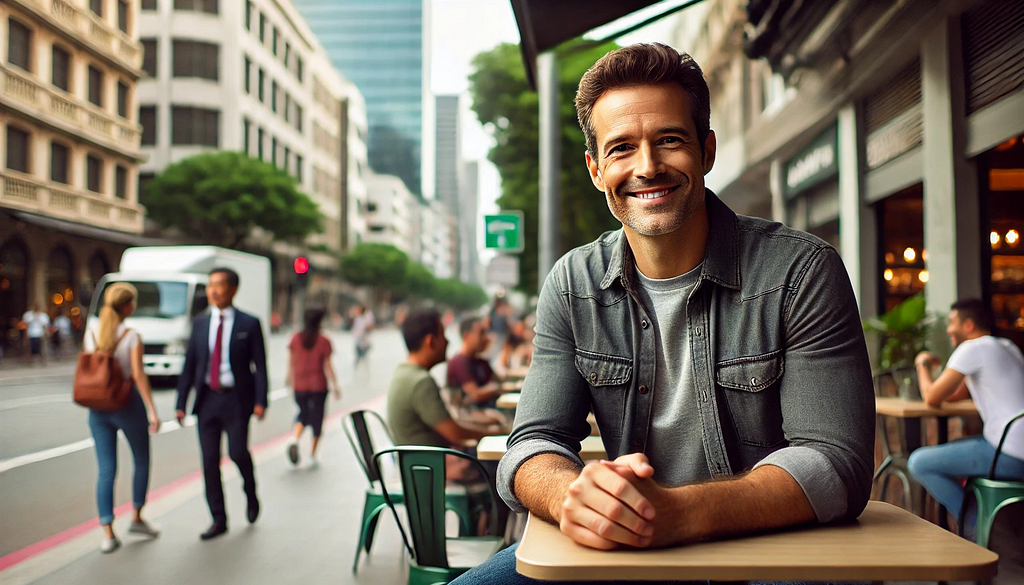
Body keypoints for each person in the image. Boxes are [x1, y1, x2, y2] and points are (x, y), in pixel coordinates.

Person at [452, 43, 873, 584]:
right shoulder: (572, 284)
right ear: (596, 168)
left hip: (771, 551)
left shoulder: (800, 271)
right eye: (621, 148)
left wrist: (678, 514)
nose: (647, 167)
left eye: (669, 140)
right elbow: (532, 445)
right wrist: (573, 497)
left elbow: (837, 464)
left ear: (707, 150)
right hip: (627, 551)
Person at [908, 299, 1024, 533]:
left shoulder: (972, 348)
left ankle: (975, 528)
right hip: (1015, 447)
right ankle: (987, 523)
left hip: (1009, 453)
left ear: (968, 325)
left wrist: (921, 363)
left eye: (952, 323)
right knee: (958, 446)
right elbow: (953, 395)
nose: (949, 329)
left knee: (920, 462)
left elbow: (931, 397)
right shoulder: (1007, 346)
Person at [175, 267, 268, 541]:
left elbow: (260, 366)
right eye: (210, 285)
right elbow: (190, 365)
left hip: (237, 400)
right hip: (207, 400)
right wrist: (181, 402)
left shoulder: (249, 323)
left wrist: (261, 401)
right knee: (209, 462)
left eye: (219, 285)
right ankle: (218, 519)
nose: (213, 290)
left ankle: (250, 491)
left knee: (238, 453)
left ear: (233, 289)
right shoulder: (201, 323)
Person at [83, 283, 161, 553]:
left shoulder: (92, 332)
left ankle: (107, 532)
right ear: (128, 305)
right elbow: (138, 375)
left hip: (98, 407)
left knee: (106, 470)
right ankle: (137, 517)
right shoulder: (131, 336)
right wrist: (152, 409)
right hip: (127, 405)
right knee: (141, 460)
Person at [386, 309, 498, 474]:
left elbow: (450, 426)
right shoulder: (421, 382)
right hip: (433, 471)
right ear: (430, 341)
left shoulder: (403, 373)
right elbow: (456, 434)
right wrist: (495, 434)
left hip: (420, 465)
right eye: (443, 335)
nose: (447, 342)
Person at [285, 307, 341, 467]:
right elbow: (328, 365)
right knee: (317, 418)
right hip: (318, 385)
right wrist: (335, 384)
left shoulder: (295, 338)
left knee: (303, 413)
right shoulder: (324, 341)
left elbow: (291, 361)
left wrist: (289, 379)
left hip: (300, 384)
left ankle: (294, 438)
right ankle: (312, 454)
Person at [447, 317, 504, 409]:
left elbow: (498, 383)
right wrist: (493, 388)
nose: (485, 338)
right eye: (481, 333)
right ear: (466, 336)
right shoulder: (458, 362)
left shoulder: (481, 361)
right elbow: (476, 396)